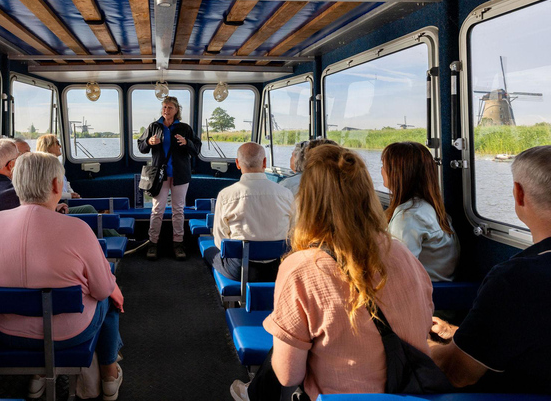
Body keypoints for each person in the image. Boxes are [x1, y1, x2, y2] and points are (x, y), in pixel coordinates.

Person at [231, 145, 433, 401]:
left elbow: (287, 376)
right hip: (413, 393)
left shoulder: (300, 267)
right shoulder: (403, 255)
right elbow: (425, 322)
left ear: (308, 200)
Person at [0, 152, 124, 400]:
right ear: (57, 185)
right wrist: (111, 288)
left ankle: (38, 377)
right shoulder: (78, 228)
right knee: (109, 297)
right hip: (68, 334)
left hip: (5, 330)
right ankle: (109, 375)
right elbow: (101, 290)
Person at [429, 145, 551, 394]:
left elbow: (457, 373)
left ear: (518, 194)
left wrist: (419, 341)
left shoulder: (517, 279)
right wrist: (460, 335)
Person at [204, 142, 293, 281]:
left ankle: (225, 298)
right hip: (277, 268)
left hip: (240, 270)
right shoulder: (286, 194)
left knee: (209, 252)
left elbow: (220, 239)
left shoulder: (226, 194)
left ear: (237, 164)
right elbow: (293, 231)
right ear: (264, 162)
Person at [381, 141, 459, 282]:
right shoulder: (429, 207)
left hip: (425, 294)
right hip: (438, 289)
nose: (381, 170)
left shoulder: (408, 216)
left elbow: (399, 271)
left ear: (397, 173)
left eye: (384, 165)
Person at [137, 96, 201, 260]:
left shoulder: (185, 128)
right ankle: (153, 243)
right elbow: (141, 146)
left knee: (178, 210)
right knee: (157, 210)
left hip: (180, 174)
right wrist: (150, 142)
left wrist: (187, 142)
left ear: (177, 110)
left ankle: (178, 244)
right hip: (159, 175)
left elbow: (196, 150)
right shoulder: (154, 127)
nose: (166, 110)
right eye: (164, 107)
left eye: (170, 107)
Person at [36, 134, 97, 215]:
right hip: (56, 207)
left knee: (91, 205)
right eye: (57, 143)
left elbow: (66, 184)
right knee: (89, 209)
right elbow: (46, 194)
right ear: (48, 146)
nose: (60, 146)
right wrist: (69, 195)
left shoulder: (57, 165)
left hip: (66, 201)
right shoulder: (42, 168)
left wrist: (73, 194)